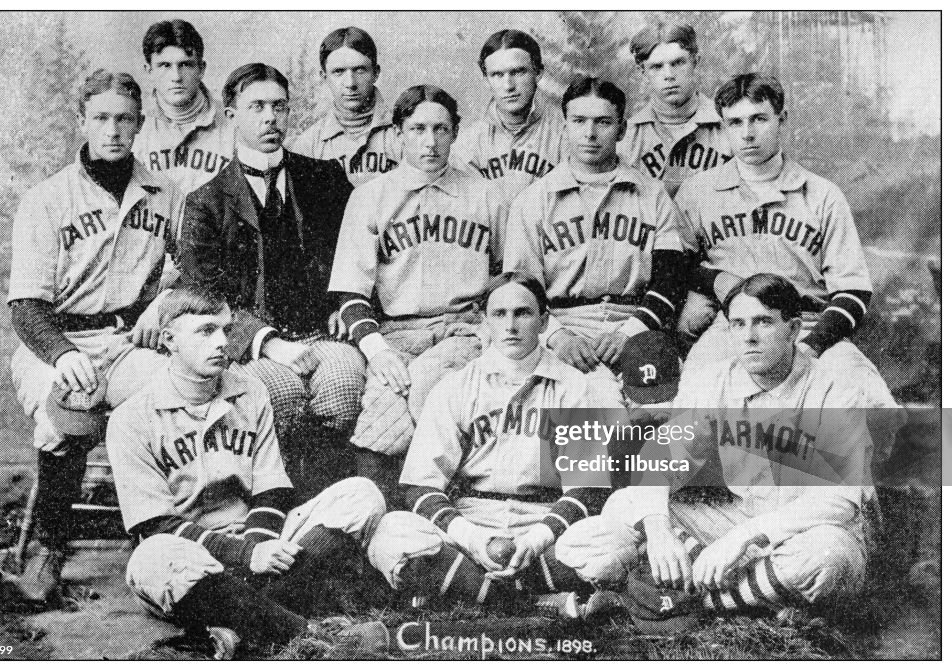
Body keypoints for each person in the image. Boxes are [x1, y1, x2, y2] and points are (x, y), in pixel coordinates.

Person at [558, 274, 872, 627]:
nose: (749, 336)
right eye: (738, 324)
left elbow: (838, 502)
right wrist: (660, 532)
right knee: (617, 511)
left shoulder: (837, 390)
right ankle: (752, 593)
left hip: (806, 530)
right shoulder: (713, 380)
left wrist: (740, 539)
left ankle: (679, 600)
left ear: (794, 329)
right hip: (731, 518)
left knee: (826, 559)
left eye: (764, 322)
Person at [107, 286, 386, 659]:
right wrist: (246, 555)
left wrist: (256, 551)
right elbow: (156, 525)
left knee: (361, 495)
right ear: (170, 340)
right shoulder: (131, 418)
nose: (222, 342)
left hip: (259, 540)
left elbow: (270, 489)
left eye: (226, 329)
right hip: (191, 556)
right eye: (206, 331)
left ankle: (237, 626)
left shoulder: (250, 390)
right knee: (151, 558)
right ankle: (310, 637)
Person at [7, 69, 183, 606]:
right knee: (66, 414)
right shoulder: (46, 199)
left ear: (140, 124)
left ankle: (164, 537)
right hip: (54, 341)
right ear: (81, 121)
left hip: (127, 342)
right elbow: (25, 306)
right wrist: (61, 354)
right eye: (101, 118)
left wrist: (165, 303)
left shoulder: (165, 194)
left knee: (176, 396)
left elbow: (192, 274)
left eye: (124, 119)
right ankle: (49, 547)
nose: (113, 129)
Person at [675, 73, 903, 460]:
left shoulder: (822, 195)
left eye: (759, 119)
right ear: (724, 127)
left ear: (781, 119)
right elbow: (676, 267)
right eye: (735, 122)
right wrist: (717, 279)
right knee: (696, 396)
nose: (747, 133)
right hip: (733, 328)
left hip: (807, 324)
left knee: (861, 397)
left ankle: (853, 493)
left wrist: (812, 348)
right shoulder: (697, 192)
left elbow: (853, 289)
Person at [366, 273, 609, 615]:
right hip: (472, 520)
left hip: (544, 521)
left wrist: (537, 539)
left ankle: (466, 590)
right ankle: (532, 601)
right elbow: (420, 486)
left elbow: (587, 489)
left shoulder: (576, 388)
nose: (510, 325)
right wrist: (473, 540)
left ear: (543, 321)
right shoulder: (455, 387)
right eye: (499, 314)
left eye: (522, 313)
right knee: (392, 533)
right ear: (484, 322)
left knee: (610, 540)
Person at [178, 63, 364, 469]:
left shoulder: (324, 179)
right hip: (250, 348)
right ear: (231, 116)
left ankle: (332, 498)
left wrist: (343, 303)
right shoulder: (206, 203)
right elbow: (202, 297)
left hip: (323, 335)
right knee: (277, 395)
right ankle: (278, 497)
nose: (270, 118)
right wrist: (268, 342)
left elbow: (358, 253)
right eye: (257, 107)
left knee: (344, 385)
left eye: (279, 107)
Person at [329, 84, 508, 492]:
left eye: (441, 129)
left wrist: (490, 329)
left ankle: (446, 506)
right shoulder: (370, 197)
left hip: (465, 330)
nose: (430, 142)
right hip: (397, 334)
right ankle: (382, 514)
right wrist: (377, 351)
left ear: (455, 132)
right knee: (381, 411)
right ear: (398, 134)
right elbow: (351, 292)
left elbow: (508, 278)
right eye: (418, 129)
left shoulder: (485, 195)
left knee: (430, 385)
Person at [504, 76, 688, 405]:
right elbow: (520, 291)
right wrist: (557, 337)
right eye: (579, 121)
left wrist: (632, 331)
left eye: (603, 122)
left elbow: (671, 280)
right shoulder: (533, 201)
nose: (589, 133)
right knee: (594, 408)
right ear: (564, 127)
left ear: (622, 129)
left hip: (637, 324)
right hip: (566, 329)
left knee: (666, 408)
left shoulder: (652, 194)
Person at [621, 20, 731, 198]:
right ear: (642, 71)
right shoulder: (627, 138)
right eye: (657, 67)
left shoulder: (730, 125)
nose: (669, 75)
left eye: (678, 63)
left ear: (695, 61)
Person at [452, 29, 566, 200]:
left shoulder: (565, 134)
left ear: (538, 73)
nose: (508, 86)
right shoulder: (468, 144)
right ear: (486, 80)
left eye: (518, 72)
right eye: (497, 75)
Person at [289, 26, 402, 186]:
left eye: (360, 70)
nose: (350, 83)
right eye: (338, 72)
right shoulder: (308, 144)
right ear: (324, 77)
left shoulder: (403, 134)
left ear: (375, 73)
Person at [133, 19, 234, 195]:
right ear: (149, 70)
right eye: (165, 65)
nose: (176, 77)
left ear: (201, 69)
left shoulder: (233, 123)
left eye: (185, 64)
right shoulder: (135, 127)